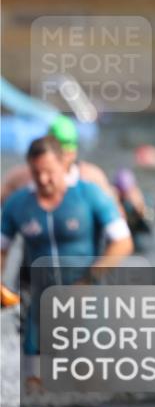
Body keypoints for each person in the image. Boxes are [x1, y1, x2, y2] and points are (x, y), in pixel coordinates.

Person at [1, 136, 134, 391]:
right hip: (38, 305)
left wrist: (88, 281)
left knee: (85, 387)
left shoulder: (89, 195)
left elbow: (123, 243)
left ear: (64, 164)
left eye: (49, 172)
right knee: (35, 388)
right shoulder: (17, 204)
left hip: (85, 299)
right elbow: (2, 250)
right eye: (36, 173)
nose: (42, 180)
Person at [0, 116, 119, 211]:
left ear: (74, 152)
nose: (43, 179)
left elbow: (117, 217)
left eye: (67, 153)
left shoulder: (90, 177)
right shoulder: (22, 177)